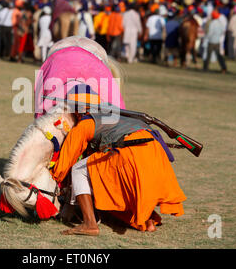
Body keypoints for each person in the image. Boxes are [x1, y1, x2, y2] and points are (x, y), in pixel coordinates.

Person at [49, 87, 187, 236]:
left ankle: (89, 223)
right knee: (130, 184)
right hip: (155, 153)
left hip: (131, 151)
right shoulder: (119, 113)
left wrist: (54, 177)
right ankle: (148, 221)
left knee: (78, 169)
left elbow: (66, 160)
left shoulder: (86, 124)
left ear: (78, 110)